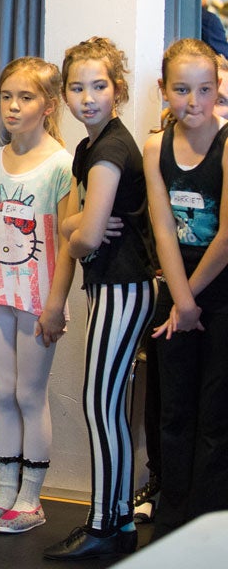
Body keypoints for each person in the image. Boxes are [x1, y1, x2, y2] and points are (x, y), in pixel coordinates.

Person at [42, 38, 156, 560]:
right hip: (112, 286)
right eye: (77, 87)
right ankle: (120, 521)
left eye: (99, 86)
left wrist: (70, 225)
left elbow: (85, 237)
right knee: (105, 404)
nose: (87, 97)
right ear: (64, 94)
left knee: (99, 404)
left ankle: (104, 520)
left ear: (118, 91)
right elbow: (80, 225)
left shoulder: (109, 149)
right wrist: (75, 223)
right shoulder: (91, 147)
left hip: (125, 285)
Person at [0, 57, 75, 534]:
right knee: (4, 392)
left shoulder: (63, 165)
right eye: (6, 96)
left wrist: (55, 304)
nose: (13, 106)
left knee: (30, 394)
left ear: (48, 106)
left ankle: (31, 500)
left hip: (37, 299)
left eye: (25, 97)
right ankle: (5, 495)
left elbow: (69, 241)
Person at [142, 38, 228, 540]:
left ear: (217, 90)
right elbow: (163, 229)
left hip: (217, 293)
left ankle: (210, 519)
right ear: (164, 90)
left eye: (203, 90)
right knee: (172, 408)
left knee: (216, 413)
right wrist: (179, 301)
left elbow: (225, 236)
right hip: (177, 293)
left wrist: (191, 301)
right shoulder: (157, 145)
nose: (192, 102)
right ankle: (172, 515)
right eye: (181, 90)